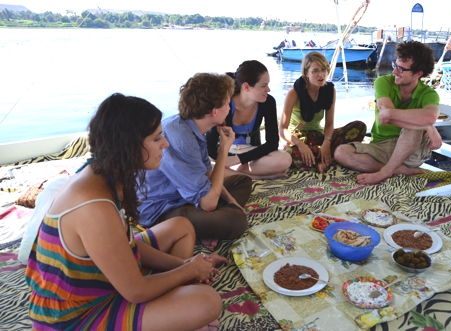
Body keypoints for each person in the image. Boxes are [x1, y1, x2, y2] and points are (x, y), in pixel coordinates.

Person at [25, 93, 227, 331]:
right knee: (208, 303)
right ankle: (177, 307)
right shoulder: (94, 205)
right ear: (129, 145)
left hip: (102, 283)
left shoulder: (104, 175)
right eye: (156, 138)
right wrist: (189, 270)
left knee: (181, 226)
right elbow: (136, 291)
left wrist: (183, 265)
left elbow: (123, 244)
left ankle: (176, 304)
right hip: (76, 317)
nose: (165, 144)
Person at [138, 73, 252, 251]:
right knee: (237, 221)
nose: (231, 107)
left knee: (242, 181)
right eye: (228, 103)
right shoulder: (181, 139)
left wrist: (232, 203)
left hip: (187, 195)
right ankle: (205, 225)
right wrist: (223, 150)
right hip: (162, 208)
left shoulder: (192, 128)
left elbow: (207, 174)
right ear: (214, 111)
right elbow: (209, 203)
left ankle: (208, 223)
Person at [334, 40, 442, 185]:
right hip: (380, 145)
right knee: (341, 153)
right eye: (395, 65)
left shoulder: (429, 94)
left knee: (412, 127)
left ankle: (384, 172)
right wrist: (427, 126)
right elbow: (385, 116)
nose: (394, 71)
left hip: (410, 151)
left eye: (401, 69)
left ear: (418, 74)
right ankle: (398, 170)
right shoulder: (383, 82)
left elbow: (429, 116)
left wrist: (427, 123)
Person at [279, 51, 367, 173]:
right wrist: (300, 145)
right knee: (287, 156)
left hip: (320, 136)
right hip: (299, 138)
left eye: (324, 69)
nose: (321, 74)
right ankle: (325, 159)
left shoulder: (329, 91)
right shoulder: (294, 93)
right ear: (306, 73)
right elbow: (282, 130)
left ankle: (318, 156)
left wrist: (327, 142)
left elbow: (329, 124)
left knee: (359, 127)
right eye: (315, 71)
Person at [206, 60, 292, 180]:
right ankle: (255, 176)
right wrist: (223, 160)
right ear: (246, 87)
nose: (268, 89)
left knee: (285, 159)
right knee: (203, 165)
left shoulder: (268, 102)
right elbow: (209, 145)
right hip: (224, 152)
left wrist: (236, 160)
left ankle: (231, 172)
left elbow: (272, 143)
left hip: (250, 154)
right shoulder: (225, 104)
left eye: (268, 84)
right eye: (263, 86)